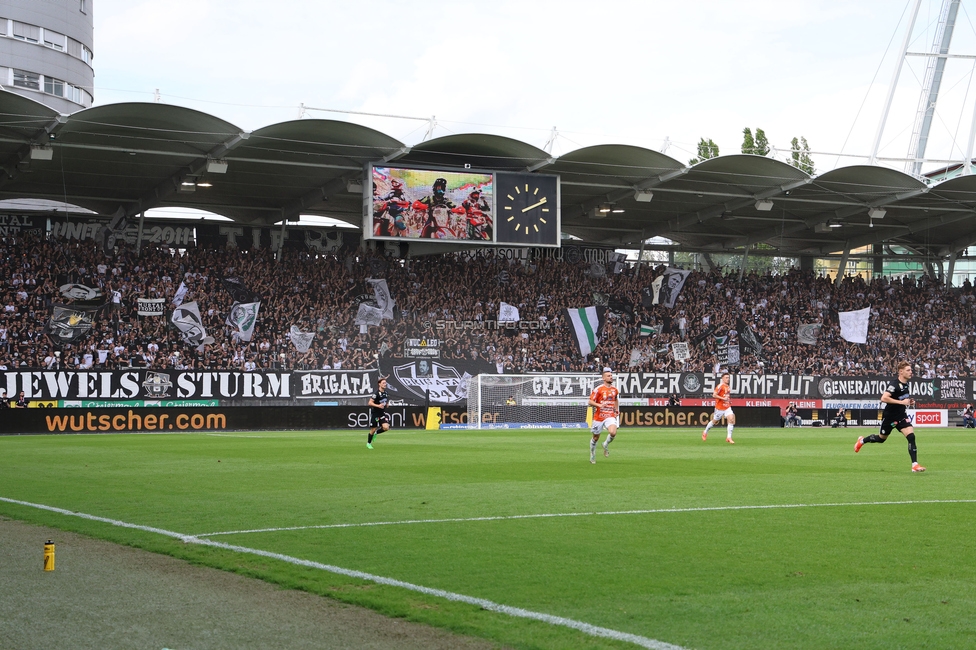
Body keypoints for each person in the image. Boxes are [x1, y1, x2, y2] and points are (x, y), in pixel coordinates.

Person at [855, 361, 925, 472]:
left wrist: (908, 402)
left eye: (911, 370)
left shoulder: (906, 384)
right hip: (890, 417)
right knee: (881, 439)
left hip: (901, 415)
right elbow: (884, 398)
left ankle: (914, 465)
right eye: (908, 370)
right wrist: (902, 402)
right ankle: (862, 441)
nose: (911, 372)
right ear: (901, 372)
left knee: (911, 437)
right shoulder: (894, 384)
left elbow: (901, 399)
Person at [587, 367, 619, 464]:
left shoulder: (614, 390)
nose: (611, 377)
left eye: (611, 375)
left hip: (610, 415)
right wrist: (599, 405)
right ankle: (592, 454)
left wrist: (616, 410)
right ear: (604, 378)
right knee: (595, 438)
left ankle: (605, 444)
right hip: (599, 417)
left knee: (613, 432)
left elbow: (616, 399)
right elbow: (590, 401)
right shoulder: (598, 389)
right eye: (608, 376)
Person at [702, 372, 735, 444]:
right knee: (715, 421)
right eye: (726, 378)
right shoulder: (720, 386)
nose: (728, 379)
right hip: (719, 408)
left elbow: (726, 396)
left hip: (727, 407)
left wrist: (728, 400)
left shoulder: (728, 386)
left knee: (731, 419)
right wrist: (723, 398)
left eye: (728, 378)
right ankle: (705, 432)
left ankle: (729, 437)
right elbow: (714, 395)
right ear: (722, 379)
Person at [366, 377, 390, 449]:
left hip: (382, 413)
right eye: (383, 383)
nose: (385, 384)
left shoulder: (385, 393)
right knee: (373, 429)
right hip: (375, 414)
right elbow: (370, 403)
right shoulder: (376, 394)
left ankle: (376, 433)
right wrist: (378, 406)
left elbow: (385, 402)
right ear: (379, 384)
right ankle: (368, 443)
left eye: (385, 383)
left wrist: (386, 405)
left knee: (386, 427)